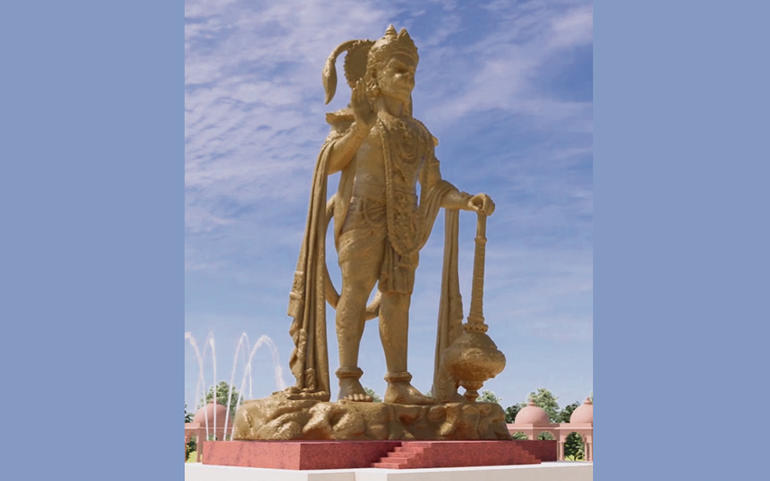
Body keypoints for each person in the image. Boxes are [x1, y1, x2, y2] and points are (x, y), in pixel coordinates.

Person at [287, 26, 494, 404]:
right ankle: (348, 378)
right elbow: (329, 164)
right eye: (398, 69)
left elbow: (434, 186)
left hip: (403, 225)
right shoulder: (356, 120)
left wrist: (467, 201)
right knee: (355, 291)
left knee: (398, 300)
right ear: (375, 76)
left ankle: (398, 383)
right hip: (361, 218)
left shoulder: (418, 134)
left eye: (412, 70)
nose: (408, 77)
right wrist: (361, 126)